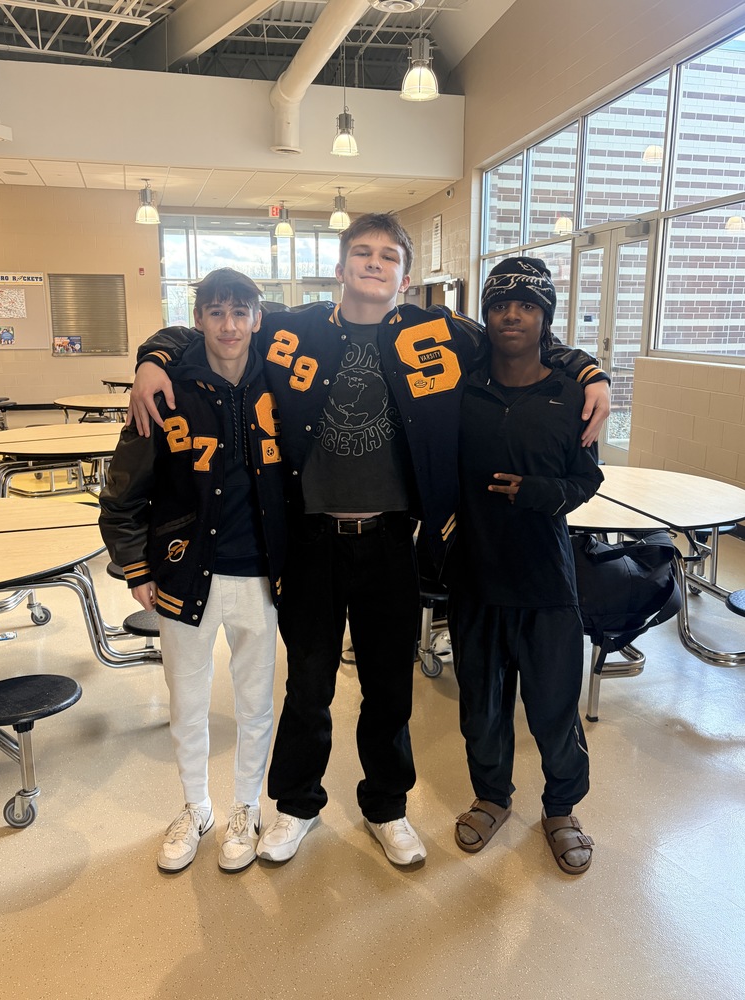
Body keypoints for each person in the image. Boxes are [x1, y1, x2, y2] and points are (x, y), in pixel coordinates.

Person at [127, 214, 610, 868]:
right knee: (307, 687)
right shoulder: (292, 327)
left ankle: (387, 808)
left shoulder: (437, 332)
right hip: (310, 542)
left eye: (388, 256)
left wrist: (589, 370)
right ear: (341, 265)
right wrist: (153, 358)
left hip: (390, 542)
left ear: (405, 276)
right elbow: (213, 325)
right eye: (362, 252)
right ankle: (296, 806)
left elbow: (521, 337)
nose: (375, 263)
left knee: (389, 688)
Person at [99, 268, 286, 874]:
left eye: (240, 312)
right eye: (216, 312)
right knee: (188, 698)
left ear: (258, 317)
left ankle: (244, 806)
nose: (229, 325)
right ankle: (196, 804)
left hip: (264, 575)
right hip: (184, 573)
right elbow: (123, 491)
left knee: (258, 701)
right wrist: (135, 566)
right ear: (198, 317)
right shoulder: (165, 387)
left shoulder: (284, 380)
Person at [449, 257, 603, 874]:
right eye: (500, 305)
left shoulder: (570, 396)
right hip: (475, 578)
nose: (512, 315)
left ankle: (562, 808)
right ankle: (492, 797)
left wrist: (541, 493)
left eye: (528, 305)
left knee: (554, 707)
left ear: (545, 318)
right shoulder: (459, 389)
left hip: (546, 584)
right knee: (481, 708)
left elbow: (587, 477)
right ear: (486, 316)